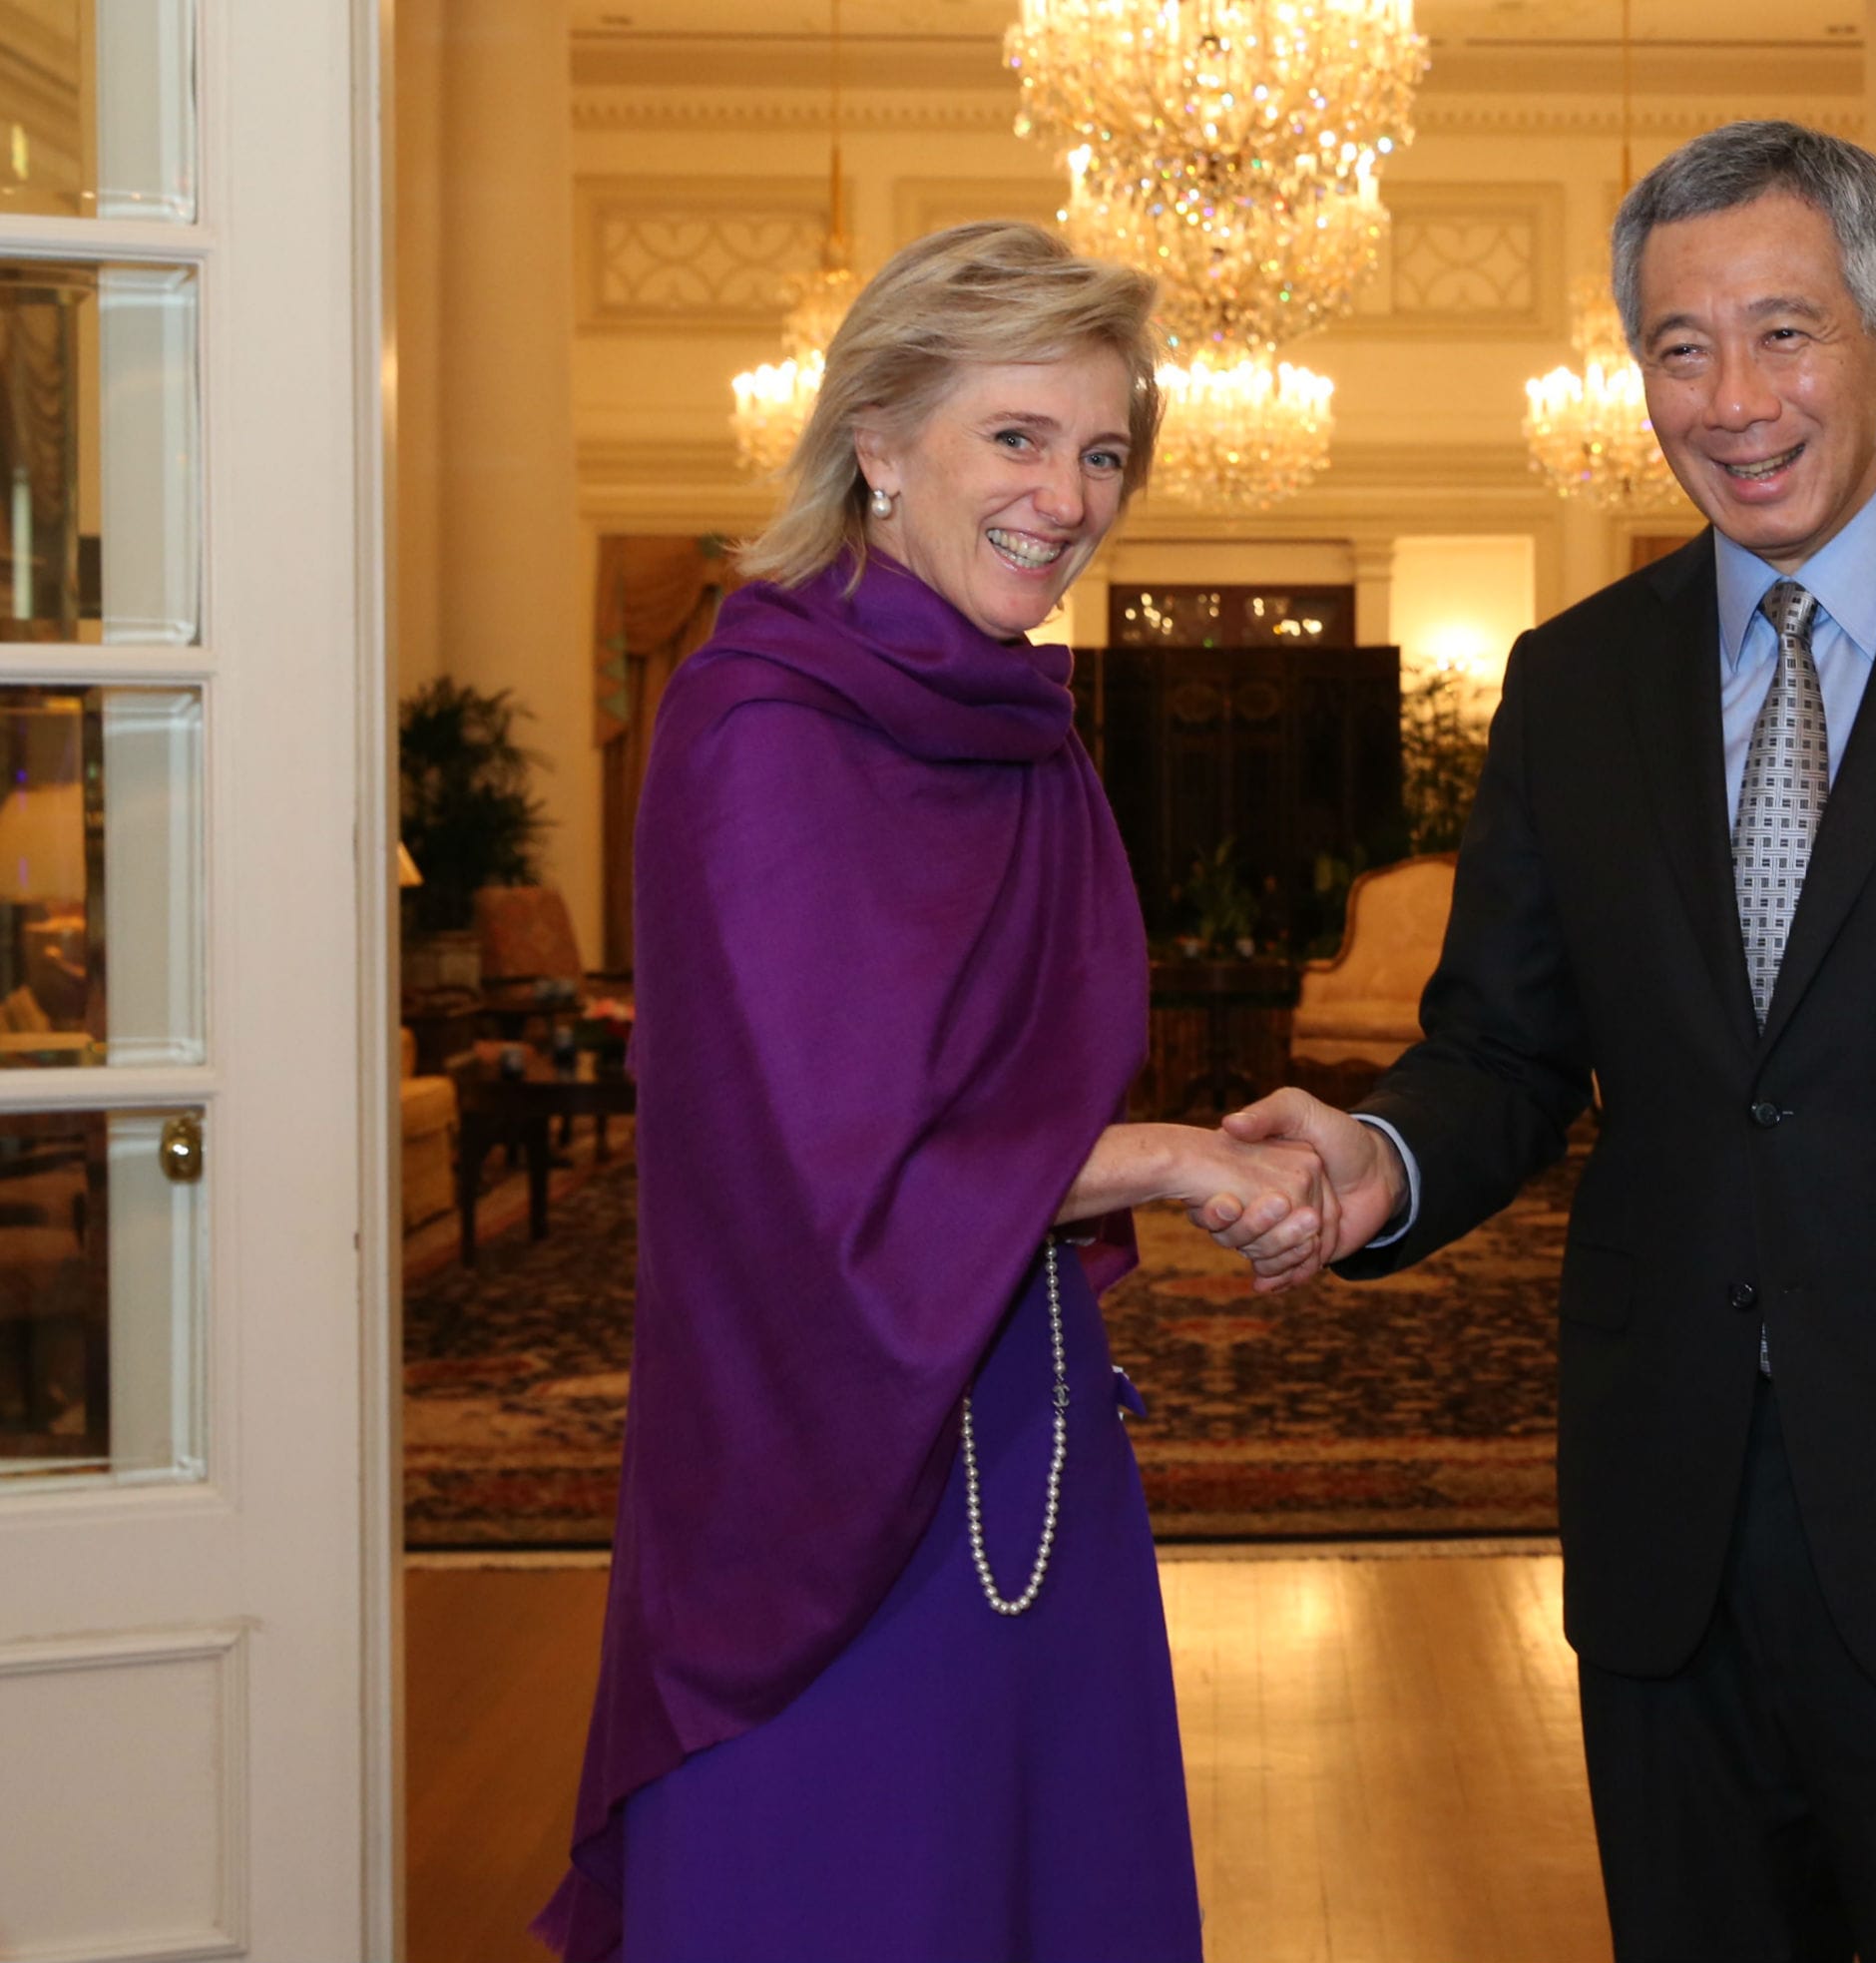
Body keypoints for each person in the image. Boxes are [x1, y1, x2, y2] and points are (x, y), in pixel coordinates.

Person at [1211, 121, 1876, 1961]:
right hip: (1664, 1533)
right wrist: (1379, 1159)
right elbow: (1508, 1053)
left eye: (1785, 332)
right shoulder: (1573, 679)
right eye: (1681, 348)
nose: (1734, 399)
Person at [534, 221, 1333, 1963]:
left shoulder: (1019, 728)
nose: (1071, 495)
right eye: (1020, 438)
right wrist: (1176, 1160)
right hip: (814, 1484)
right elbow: (830, 1175)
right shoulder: (759, 726)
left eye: (1105, 448)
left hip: (1033, 1442)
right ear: (880, 441)